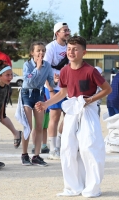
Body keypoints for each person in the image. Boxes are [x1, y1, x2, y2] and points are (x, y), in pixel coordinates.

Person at [35, 36, 112, 197]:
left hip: (88, 110)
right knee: (67, 148)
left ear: (84, 52)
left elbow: (107, 89)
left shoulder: (91, 71)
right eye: (69, 49)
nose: (71, 52)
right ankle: (73, 187)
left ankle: (93, 187)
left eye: (75, 49)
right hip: (71, 110)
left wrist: (90, 100)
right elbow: (62, 93)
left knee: (88, 147)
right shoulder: (64, 71)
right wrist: (46, 104)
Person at [20, 42, 59, 166]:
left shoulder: (47, 65)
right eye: (38, 51)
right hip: (27, 94)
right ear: (32, 52)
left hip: (39, 94)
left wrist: (56, 81)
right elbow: (29, 81)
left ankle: (36, 156)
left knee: (40, 126)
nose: (41, 53)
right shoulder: (27, 64)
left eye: (43, 50)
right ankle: (24, 154)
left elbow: (50, 82)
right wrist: (37, 67)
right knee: (28, 126)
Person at [44, 22, 70, 160]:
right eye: (64, 30)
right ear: (57, 33)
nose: (67, 32)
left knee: (69, 116)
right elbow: (45, 69)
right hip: (53, 86)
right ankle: (52, 149)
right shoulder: (50, 48)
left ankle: (59, 145)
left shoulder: (69, 47)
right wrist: (50, 88)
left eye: (68, 30)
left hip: (66, 86)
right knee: (55, 116)